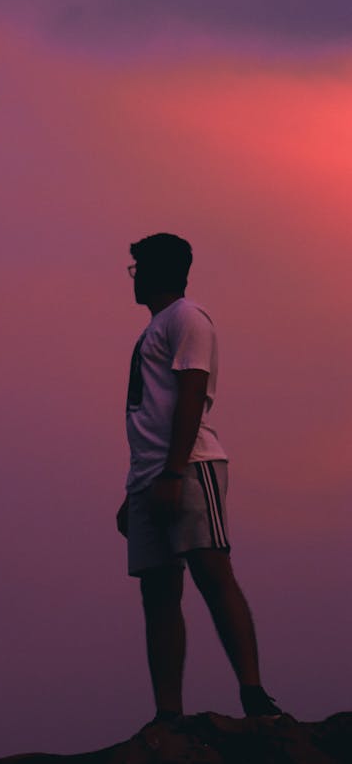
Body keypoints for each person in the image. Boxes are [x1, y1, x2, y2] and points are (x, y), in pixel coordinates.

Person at [116, 233, 282, 724]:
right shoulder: (154, 330)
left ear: (158, 271)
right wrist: (137, 487)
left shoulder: (188, 318)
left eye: (137, 267)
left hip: (189, 466)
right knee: (158, 591)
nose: (134, 277)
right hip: (150, 476)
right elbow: (150, 411)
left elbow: (192, 395)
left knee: (212, 573)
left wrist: (172, 470)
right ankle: (168, 714)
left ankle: (253, 695)